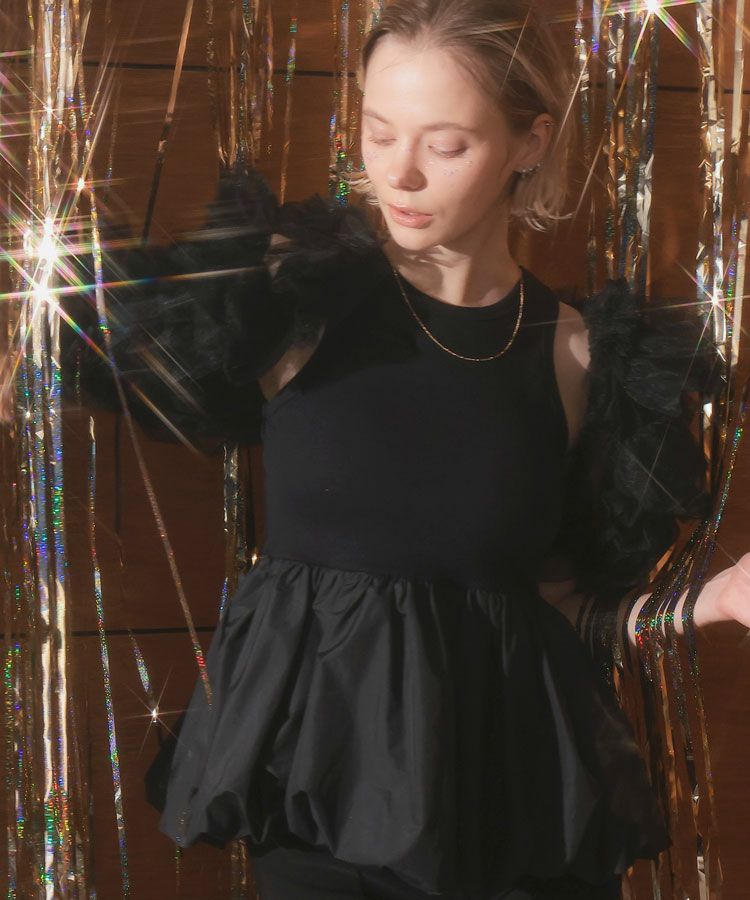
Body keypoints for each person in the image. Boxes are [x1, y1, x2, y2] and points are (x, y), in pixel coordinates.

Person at [50, 0, 750, 898]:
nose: (400, 174)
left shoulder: (579, 356)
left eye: (445, 145)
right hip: (320, 799)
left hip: (511, 815)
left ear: (529, 144)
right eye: (379, 133)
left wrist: (708, 603)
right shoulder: (297, 296)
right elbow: (91, 331)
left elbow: (558, 613)